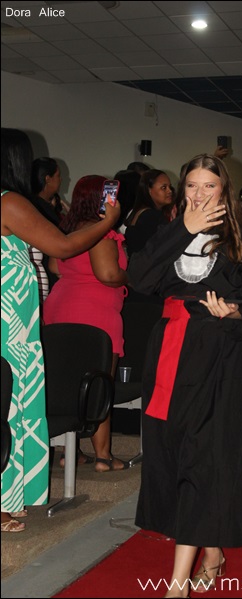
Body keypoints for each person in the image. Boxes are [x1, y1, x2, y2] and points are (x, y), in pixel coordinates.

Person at [128, 154, 242, 598]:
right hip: (168, 352)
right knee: (173, 452)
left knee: (201, 455)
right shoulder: (168, 232)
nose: (199, 194)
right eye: (191, 185)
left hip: (216, 354)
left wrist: (235, 312)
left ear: (224, 190)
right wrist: (184, 229)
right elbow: (139, 278)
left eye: (209, 186)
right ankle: (212, 551)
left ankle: (177, 586)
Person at [1, 128, 120, 532]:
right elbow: (63, 247)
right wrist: (108, 222)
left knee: (10, 402)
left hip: (13, 319)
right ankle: (3, 500)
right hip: (9, 323)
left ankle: (10, 495)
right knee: (10, 404)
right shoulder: (8, 202)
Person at [43, 175, 130, 472]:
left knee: (66, 383)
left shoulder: (67, 230)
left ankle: (70, 451)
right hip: (95, 311)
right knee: (99, 385)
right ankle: (103, 456)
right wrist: (132, 276)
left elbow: (54, 266)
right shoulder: (101, 232)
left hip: (60, 306)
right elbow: (108, 274)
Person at [29, 157, 64, 304]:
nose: (61, 180)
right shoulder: (40, 209)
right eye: (58, 176)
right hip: (46, 272)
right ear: (47, 179)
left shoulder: (35, 205)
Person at [124, 169, 174, 258]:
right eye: (164, 187)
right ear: (149, 190)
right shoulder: (151, 216)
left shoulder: (140, 212)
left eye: (170, 187)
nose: (170, 191)